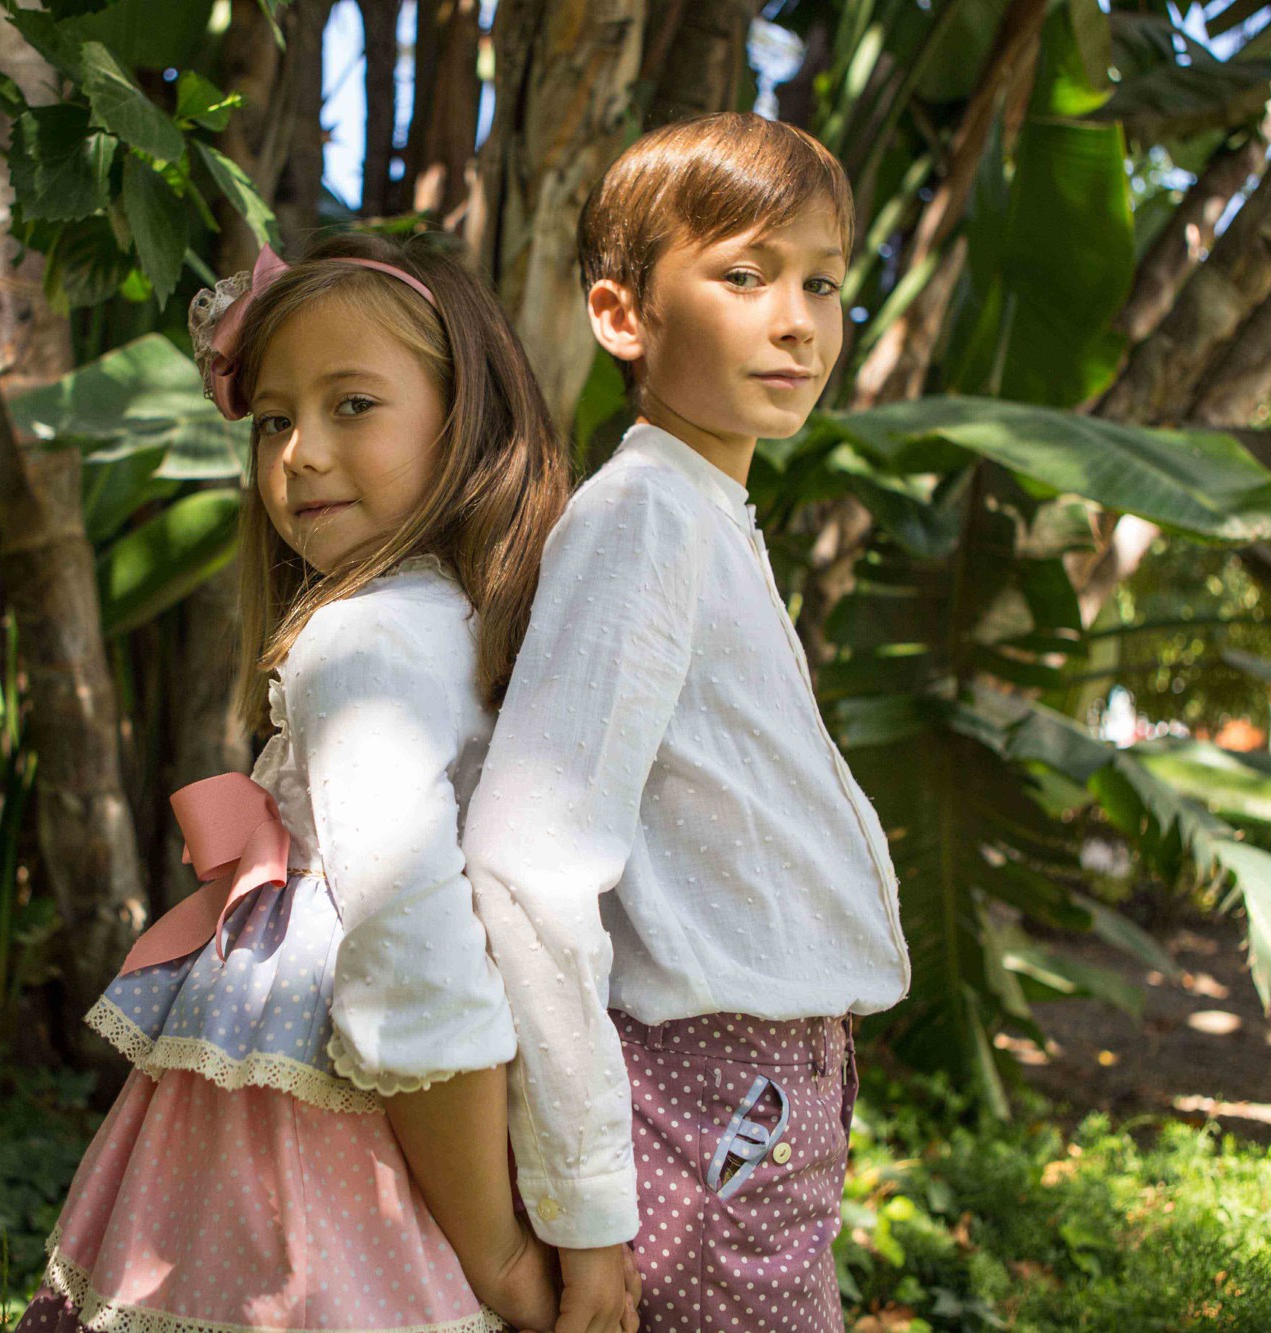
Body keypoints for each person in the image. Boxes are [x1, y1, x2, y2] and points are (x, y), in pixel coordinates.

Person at [18, 233, 585, 1333]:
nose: (297, 453)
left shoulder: (365, 643)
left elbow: (417, 983)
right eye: (273, 419)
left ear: (466, 415)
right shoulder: (469, 626)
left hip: (328, 1176)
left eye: (352, 404)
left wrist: (499, 1257)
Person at [463, 112, 912, 1333]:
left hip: (751, 1096)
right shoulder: (647, 519)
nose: (796, 319)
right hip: (703, 1103)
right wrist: (589, 1218)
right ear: (622, 315)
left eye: (820, 281)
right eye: (743, 276)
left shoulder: (702, 513)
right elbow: (527, 862)